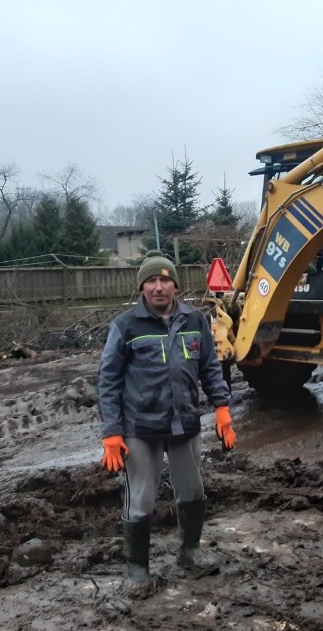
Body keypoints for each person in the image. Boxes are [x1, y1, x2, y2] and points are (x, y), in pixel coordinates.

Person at [98, 250, 236, 595]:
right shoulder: (126, 326)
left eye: (165, 280)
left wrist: (222, 407)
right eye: (151, 281)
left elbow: (209, 367)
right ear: (142, 287)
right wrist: (112, 432)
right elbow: (108, 380)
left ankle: (190, 552)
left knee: (192, 490)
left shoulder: (195, 321)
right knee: (141, 498)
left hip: (184, 422)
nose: (159, 287)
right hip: (140, 428)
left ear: (175, 285)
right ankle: (137, 569)